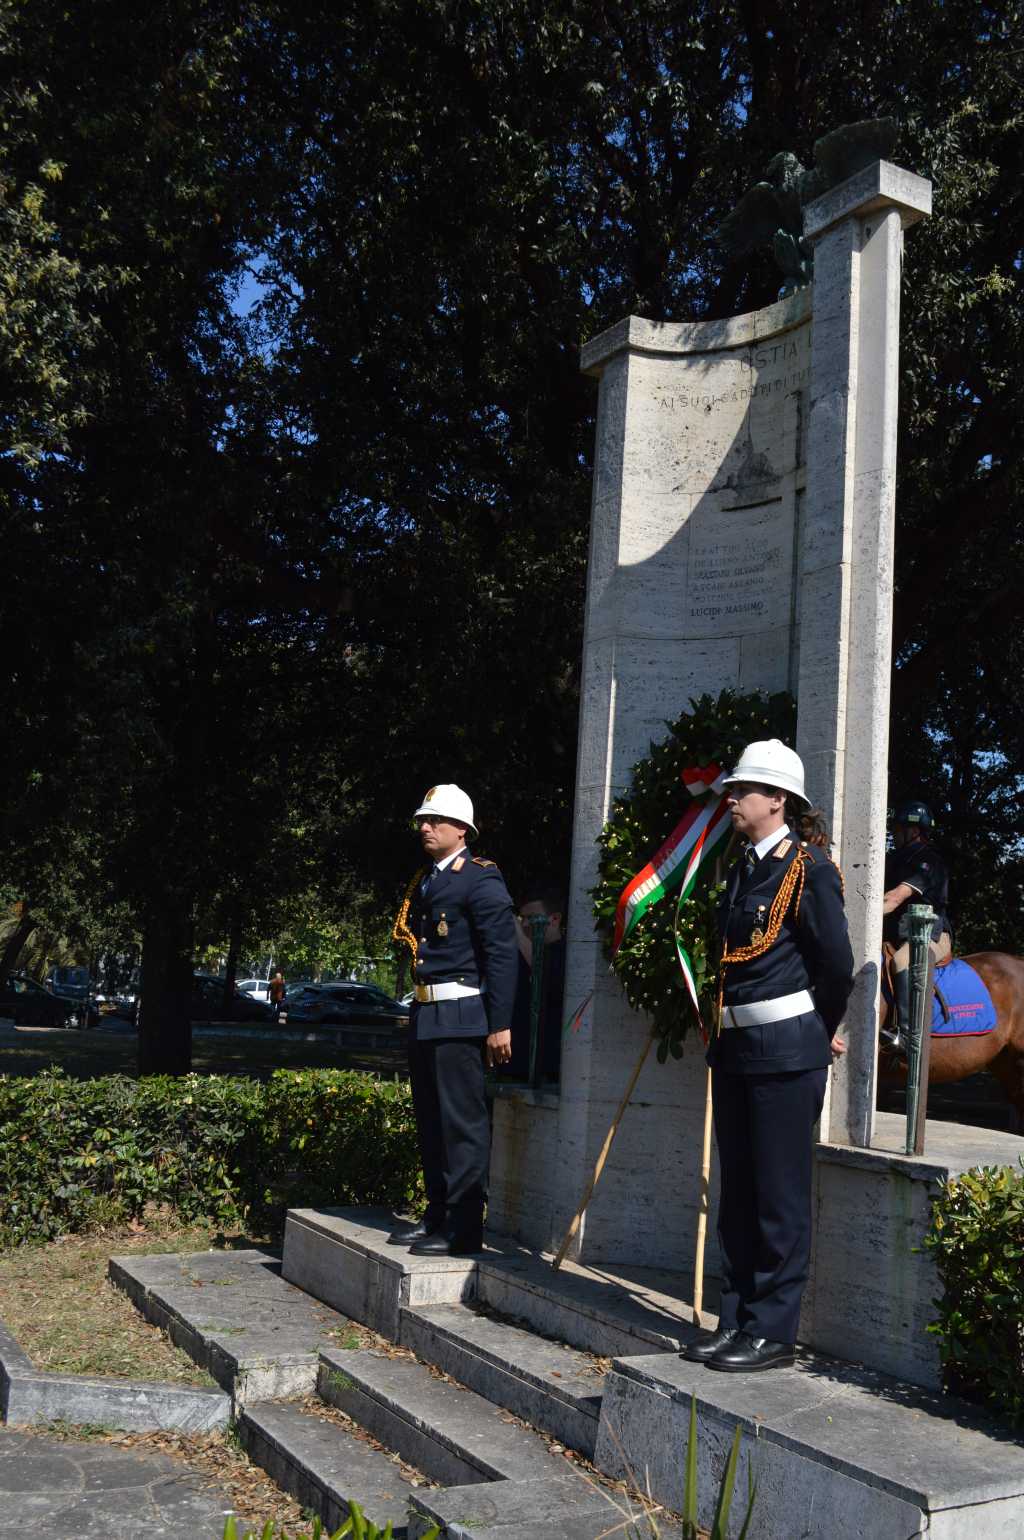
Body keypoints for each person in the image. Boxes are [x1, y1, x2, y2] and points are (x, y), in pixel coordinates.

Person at [682, 739, 854, 1374]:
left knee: (778, 1198)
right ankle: (738, 1319)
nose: (730, 799)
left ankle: (772, 1332)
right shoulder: (741, 870)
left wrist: (817, 1029)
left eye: (742, 790)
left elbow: (836, 966)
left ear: (776, 800)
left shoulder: (809, 870)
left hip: (786, 1054)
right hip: (736, 1051)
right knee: (741, 1197)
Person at [388, 784, 518, 1256]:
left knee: (461, 1126)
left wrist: (498, 1023)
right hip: (428, 1013)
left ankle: (465, 1229)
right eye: (423, 820)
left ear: (461, 829)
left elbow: (501, 955)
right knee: (432, 1123)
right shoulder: (427, 881)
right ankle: (437, 1215)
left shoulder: (480, 878)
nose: (425, 827)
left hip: (462, 1015)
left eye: (435, 820)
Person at [882, 801, 951, 1034]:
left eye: (898, 829)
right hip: (898, 934)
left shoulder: (928, 861)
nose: (894, 833)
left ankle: (907, 1034)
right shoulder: (894, 859)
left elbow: (893, 899)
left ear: (913, 831)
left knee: (901, 961)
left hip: (931, 935)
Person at [504, 881, 567, 1082]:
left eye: (531, 919)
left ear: (555, 919)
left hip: (549, 1067)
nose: (524, 925)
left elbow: (545, 973)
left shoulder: (568, 954)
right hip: (515, 1064)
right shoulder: (518, 953)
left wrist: (516, 932)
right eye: (521, 919)